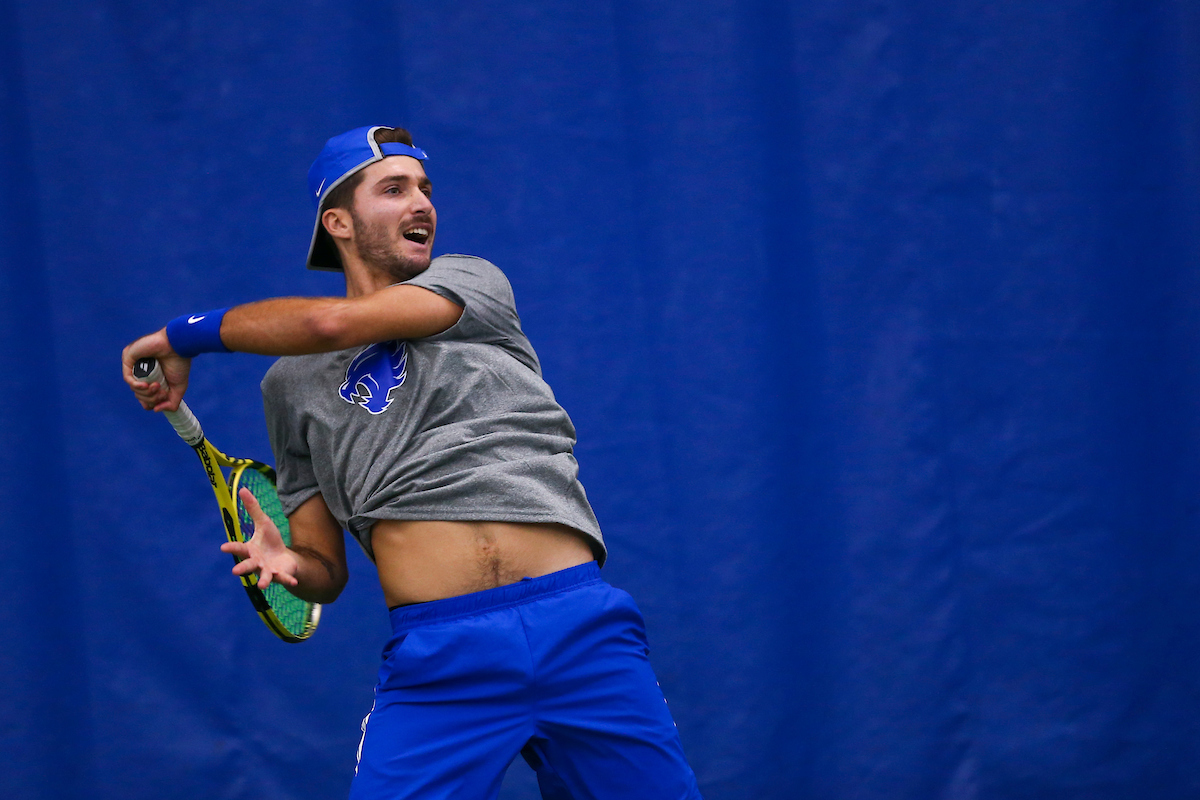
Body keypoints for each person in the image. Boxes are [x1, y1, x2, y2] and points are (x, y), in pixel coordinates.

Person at [122, 125, 702, 800]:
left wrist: (179, 336)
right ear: (337, 221)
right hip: (440, 661)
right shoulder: (287, 387)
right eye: (393, 189)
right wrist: (292, 569)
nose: (419, 202)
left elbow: (330, 326)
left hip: (579, 629)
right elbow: (325, 571)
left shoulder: (473, 283)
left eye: (425, 188)